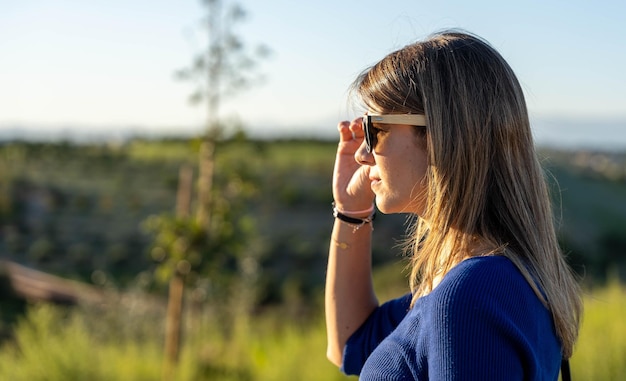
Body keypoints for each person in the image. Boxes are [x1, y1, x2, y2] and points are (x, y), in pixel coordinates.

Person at [325, 30, 582, 380]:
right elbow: (350, 345)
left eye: (375, 129)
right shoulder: (477, 280)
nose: (361, 152)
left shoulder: (470, 296)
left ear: (441, 136)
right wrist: (351, 209)